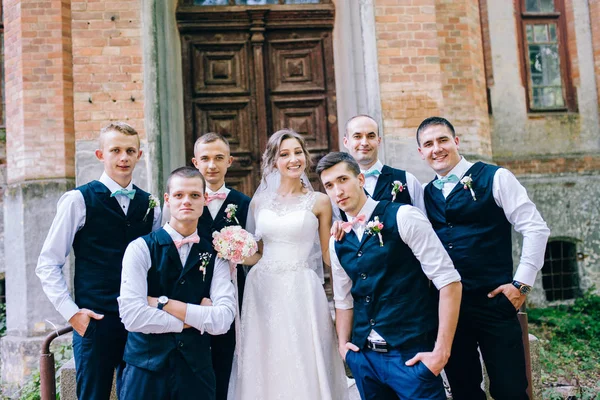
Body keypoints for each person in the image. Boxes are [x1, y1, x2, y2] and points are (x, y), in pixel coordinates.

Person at [417, 116, 551, 400]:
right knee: (464, 390)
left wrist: (522, 285)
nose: (436, 149)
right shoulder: (425, 194)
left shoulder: (496, 177)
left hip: (495, 301)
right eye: (428, 144)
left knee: (510, 388)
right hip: (449, 307)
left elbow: (536, 228)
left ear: (456, 141)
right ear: (421, 152)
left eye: (442, 140)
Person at [318, 151, 462, 400]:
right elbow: (343, 300)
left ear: (360, 180)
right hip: (365, 359)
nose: (337, 190)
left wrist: (441, 352)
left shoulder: (404, 216)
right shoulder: (337, 241)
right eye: (329, 185)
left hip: (410, 357)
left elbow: (449, 282)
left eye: (343, 180)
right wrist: (344, 348)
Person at [35, 122, 161, 400]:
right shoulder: (78, 200)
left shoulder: (151, 204)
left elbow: (157, 263)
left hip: (140, 321)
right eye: (115, 150)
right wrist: (72, 313)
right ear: (100, 154)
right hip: (95, 320)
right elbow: (48, 263)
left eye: (130, 150)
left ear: (139, 155)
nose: (123, 157)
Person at [228, 129, 349, 400]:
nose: (293, 159)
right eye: (285, 154)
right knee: (266, 355)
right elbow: (257, 253)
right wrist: (231, 252)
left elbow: (328, 258)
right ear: (273, 162)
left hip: (301, 288)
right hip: (262, 288)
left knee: (303, 355)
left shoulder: (319, 201)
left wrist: (343, 243)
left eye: (298, 152)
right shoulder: (259, 202)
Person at [118, 166, 236, 400]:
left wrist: (162, 303)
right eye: (179, 195)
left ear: (204, 199)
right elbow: (132, 316)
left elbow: (223, 320)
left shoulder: (216, 253)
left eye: (194, 195)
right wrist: (197, 317)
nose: (186, 202)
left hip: (196, 373)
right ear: (167, 200)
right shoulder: (140, 248)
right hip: (145, 371)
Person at [192, 132, 251, 400]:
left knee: (227, 356)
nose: (212, 165)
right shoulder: (184, 199)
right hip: (193, 293)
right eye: (205, 159)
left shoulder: (244, 203)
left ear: (230, 161)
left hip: (233, 291)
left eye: (218, 158)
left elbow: (255, 251)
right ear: (195, 162)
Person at [341, 114, 425, 215]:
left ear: (379, 141)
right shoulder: (339, 189)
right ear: (346, 142)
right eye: (357, 136)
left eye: (371, 136)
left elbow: (424, 223)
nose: (364, 142)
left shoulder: (408, 180)